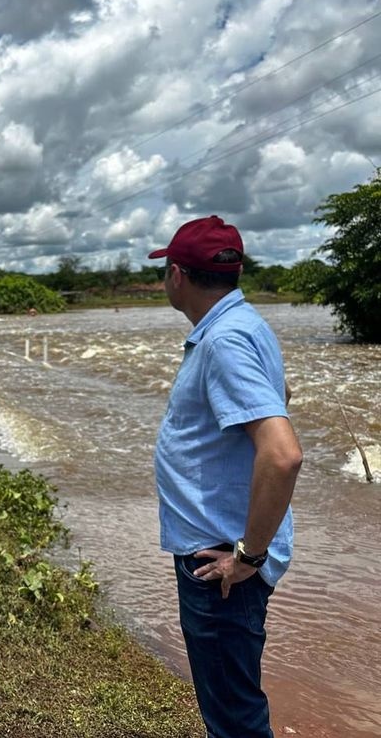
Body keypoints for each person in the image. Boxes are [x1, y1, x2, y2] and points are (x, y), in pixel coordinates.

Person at [149, 215, 303, 738]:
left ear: (177, 275)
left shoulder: (223, 342)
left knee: (233, 717)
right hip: (224, 548)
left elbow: (281, 455)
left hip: (220, 561)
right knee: (232, 703)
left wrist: (248, 557)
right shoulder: (245, 326)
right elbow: (275, 405)